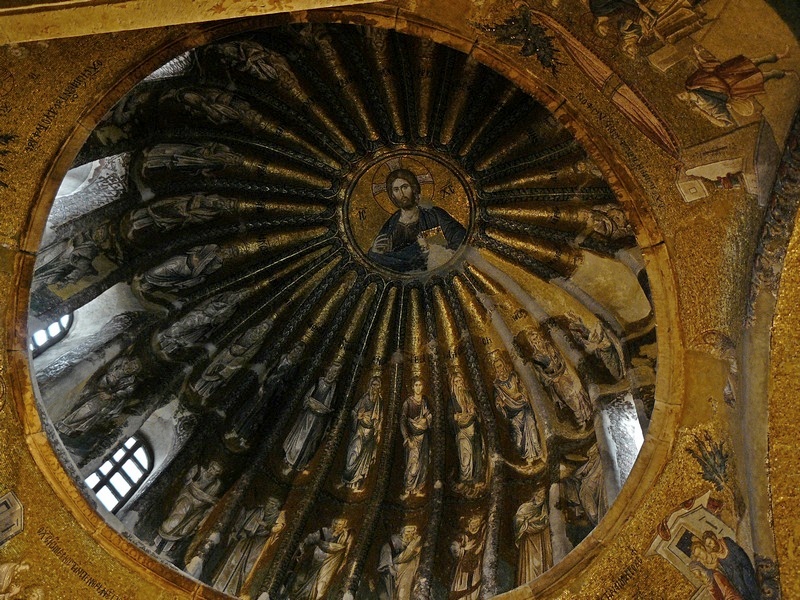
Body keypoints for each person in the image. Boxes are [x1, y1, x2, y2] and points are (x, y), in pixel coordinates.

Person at [367, 168, 466, 272]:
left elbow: (461, 241)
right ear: (392, 195)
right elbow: (380, 260)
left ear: (413, 188)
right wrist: (374, 252)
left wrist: (434, 252)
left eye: (404, 187)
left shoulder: (435, 215)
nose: (401, 193)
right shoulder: (391, 225)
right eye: (396, 190)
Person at [680, 46, 793, 128]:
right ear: (686, 101)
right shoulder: (704, 105)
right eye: (681, 97)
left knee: (753, 62)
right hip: (733, 87)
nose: (680, 94)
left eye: (679, 94)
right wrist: (701, 112)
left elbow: (706, 71)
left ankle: (782, 55)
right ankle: (785, 73)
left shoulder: (691, 84)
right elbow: (723, 123)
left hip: (725, 75)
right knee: (762, 77)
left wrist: (700, 57)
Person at [224, 341, 305, 452]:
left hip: (273, 392)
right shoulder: (282, 358)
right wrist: (262, 383)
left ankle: (245, 436)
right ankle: (234, 429)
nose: (296, 353)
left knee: (258, 414)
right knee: (249, 407)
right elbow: (269, 370)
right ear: (292, 348)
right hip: (266, 386)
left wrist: (279, 383)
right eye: (296, 349)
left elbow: (288, 382)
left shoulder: (294, 367)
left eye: (299, 352)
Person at [211, 497, 284, 596]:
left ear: (277, 506)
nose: (270, 506)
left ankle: (238, 593)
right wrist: (242, 532)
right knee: (233, 561)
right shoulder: (258, 511)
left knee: (249, 568)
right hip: (245, 541)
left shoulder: (279, 516)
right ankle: (221, 586)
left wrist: (265, 525)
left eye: (273, 504)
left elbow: (278, 530)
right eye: (269, 503)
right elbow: (243, 523)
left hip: (260, 545)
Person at [56, 355, 141, 436]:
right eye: (132, 364)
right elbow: (105, 377)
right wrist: (107, 381)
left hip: (109, 399)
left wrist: (111, 396)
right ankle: (65, 424)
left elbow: (126, 392)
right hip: (98, 389)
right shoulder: (117, 366)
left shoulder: (131, 381)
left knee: (89, 410)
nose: (132, 368)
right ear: (128, 362)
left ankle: (68, 427)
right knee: (82, 404)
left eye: (135, 368)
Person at [155, 460, 224, 554]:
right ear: (209, 466)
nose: (212, 471)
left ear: (218, 474)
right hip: (187, 497)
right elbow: (190, 486)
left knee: (187, 527)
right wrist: (205, 497)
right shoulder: (198, 470)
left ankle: (168, 548)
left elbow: (209, 499)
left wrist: (203, 497)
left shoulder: (216, 484)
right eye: (212, 468)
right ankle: (158, 542)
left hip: (199, 506)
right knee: (176, 519)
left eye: (216, 471)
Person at [284, 361, 342, 471]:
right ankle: (290, 458)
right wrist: (309, 403)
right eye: (331, 370)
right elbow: (307, 396)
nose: (332, 374)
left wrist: (326, 411)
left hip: (319, 421)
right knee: (300, 438)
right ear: (327, 370)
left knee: (310, 443)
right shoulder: (319, 382)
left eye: (335, 372)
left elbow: (332, 406)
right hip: (308, 416)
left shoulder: (334, 388)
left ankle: (301, 463)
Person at [491, 354, 541, 462]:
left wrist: (522, 395)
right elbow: (497, 402)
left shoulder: (514, 376)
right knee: (519, 440)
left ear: (504, 365)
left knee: (532, 431)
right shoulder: (497, 385)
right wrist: (500, 404)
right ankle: (527, 456)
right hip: (513, 414)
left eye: (500, 365)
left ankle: (537, 453)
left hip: (524, 408)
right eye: (497, 367)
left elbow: (523, 388)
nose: (500, 369)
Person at [289, 518, 351, 600]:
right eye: (338, 524)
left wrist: (322, 543)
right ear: (334, 524)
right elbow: (311, 539)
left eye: (342, 525)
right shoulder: (325, 531)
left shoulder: (344, 537)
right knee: (304, 579)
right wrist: (304, 546)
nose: (339, 527)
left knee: (322, 585)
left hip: (329, 564)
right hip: (316, 560)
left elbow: (340, 549)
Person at [690, 530, 759, 600]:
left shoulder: (723, 546)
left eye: (710, 543)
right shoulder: (712, 564)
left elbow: (743, 559)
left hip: (747, 577)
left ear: (714, 538)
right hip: (736, 587)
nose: (711, 546)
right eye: (698, 556)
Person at [342, 376, 382, 490]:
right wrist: (358, 416)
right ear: (370, 385)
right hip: (360, 430)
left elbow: (380, 420)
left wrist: (378, 432)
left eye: (377, 385)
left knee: (364, 458)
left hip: (370, 434)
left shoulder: (379, 402)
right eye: (373, 384)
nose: (375, 388)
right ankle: (347, 478)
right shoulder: (365, 398)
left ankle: (355, 482)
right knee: (353, 453)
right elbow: (354, 412)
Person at [400, 377, 432, 499]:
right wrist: (406, 437)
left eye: (420, 385)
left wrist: (427, 419)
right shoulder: (408, 403)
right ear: (413, 387)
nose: (418, 387)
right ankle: (408, 489)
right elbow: (403, 420)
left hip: (424, 437)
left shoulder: (425, 401)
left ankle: (417, 488)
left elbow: (429, 417)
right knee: (413, 465)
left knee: (423, 464)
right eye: (416, 385)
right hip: (413, 438)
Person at [514, 488, 553, 585]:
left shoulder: (544, 510)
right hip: (529, 541)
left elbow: (545, 522)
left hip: (541, 540)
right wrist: (529, 523)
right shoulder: (526, 507)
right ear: (534, 495)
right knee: (530, 567)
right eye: (539, 495)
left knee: (542, 563)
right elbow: (518, 521)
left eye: (543, 496)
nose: (541, 498)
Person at [449, 371, 482, 484]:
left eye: (460, 381)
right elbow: (449, 416)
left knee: (475, 453)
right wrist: (454, 417)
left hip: (472, 427)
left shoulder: (468, 395)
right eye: (456, 382)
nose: (458, 384)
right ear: (453, 384)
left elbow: (476, 410)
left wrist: (473, 410)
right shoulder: (452, 400)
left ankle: (474, 478)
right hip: (461, 430)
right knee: (465, 455)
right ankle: (465, 479)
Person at [378, 525, 422, 600]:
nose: (410, 535)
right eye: (408, 532)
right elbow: (387, 562)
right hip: (391, 571)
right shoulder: (393, 543)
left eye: (412, 533)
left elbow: (407, 555)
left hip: (404, 571)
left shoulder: (414, 544)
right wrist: (391, 566)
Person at [450, 515, 485, 600]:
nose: (474, 526)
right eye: (472, 523)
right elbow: (454, 547)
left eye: (476, 524)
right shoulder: (463, 537)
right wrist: (464, 550)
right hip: (463, 567)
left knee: (474, 583)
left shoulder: (480, 538)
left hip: (475, 567)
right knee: (462, 584)